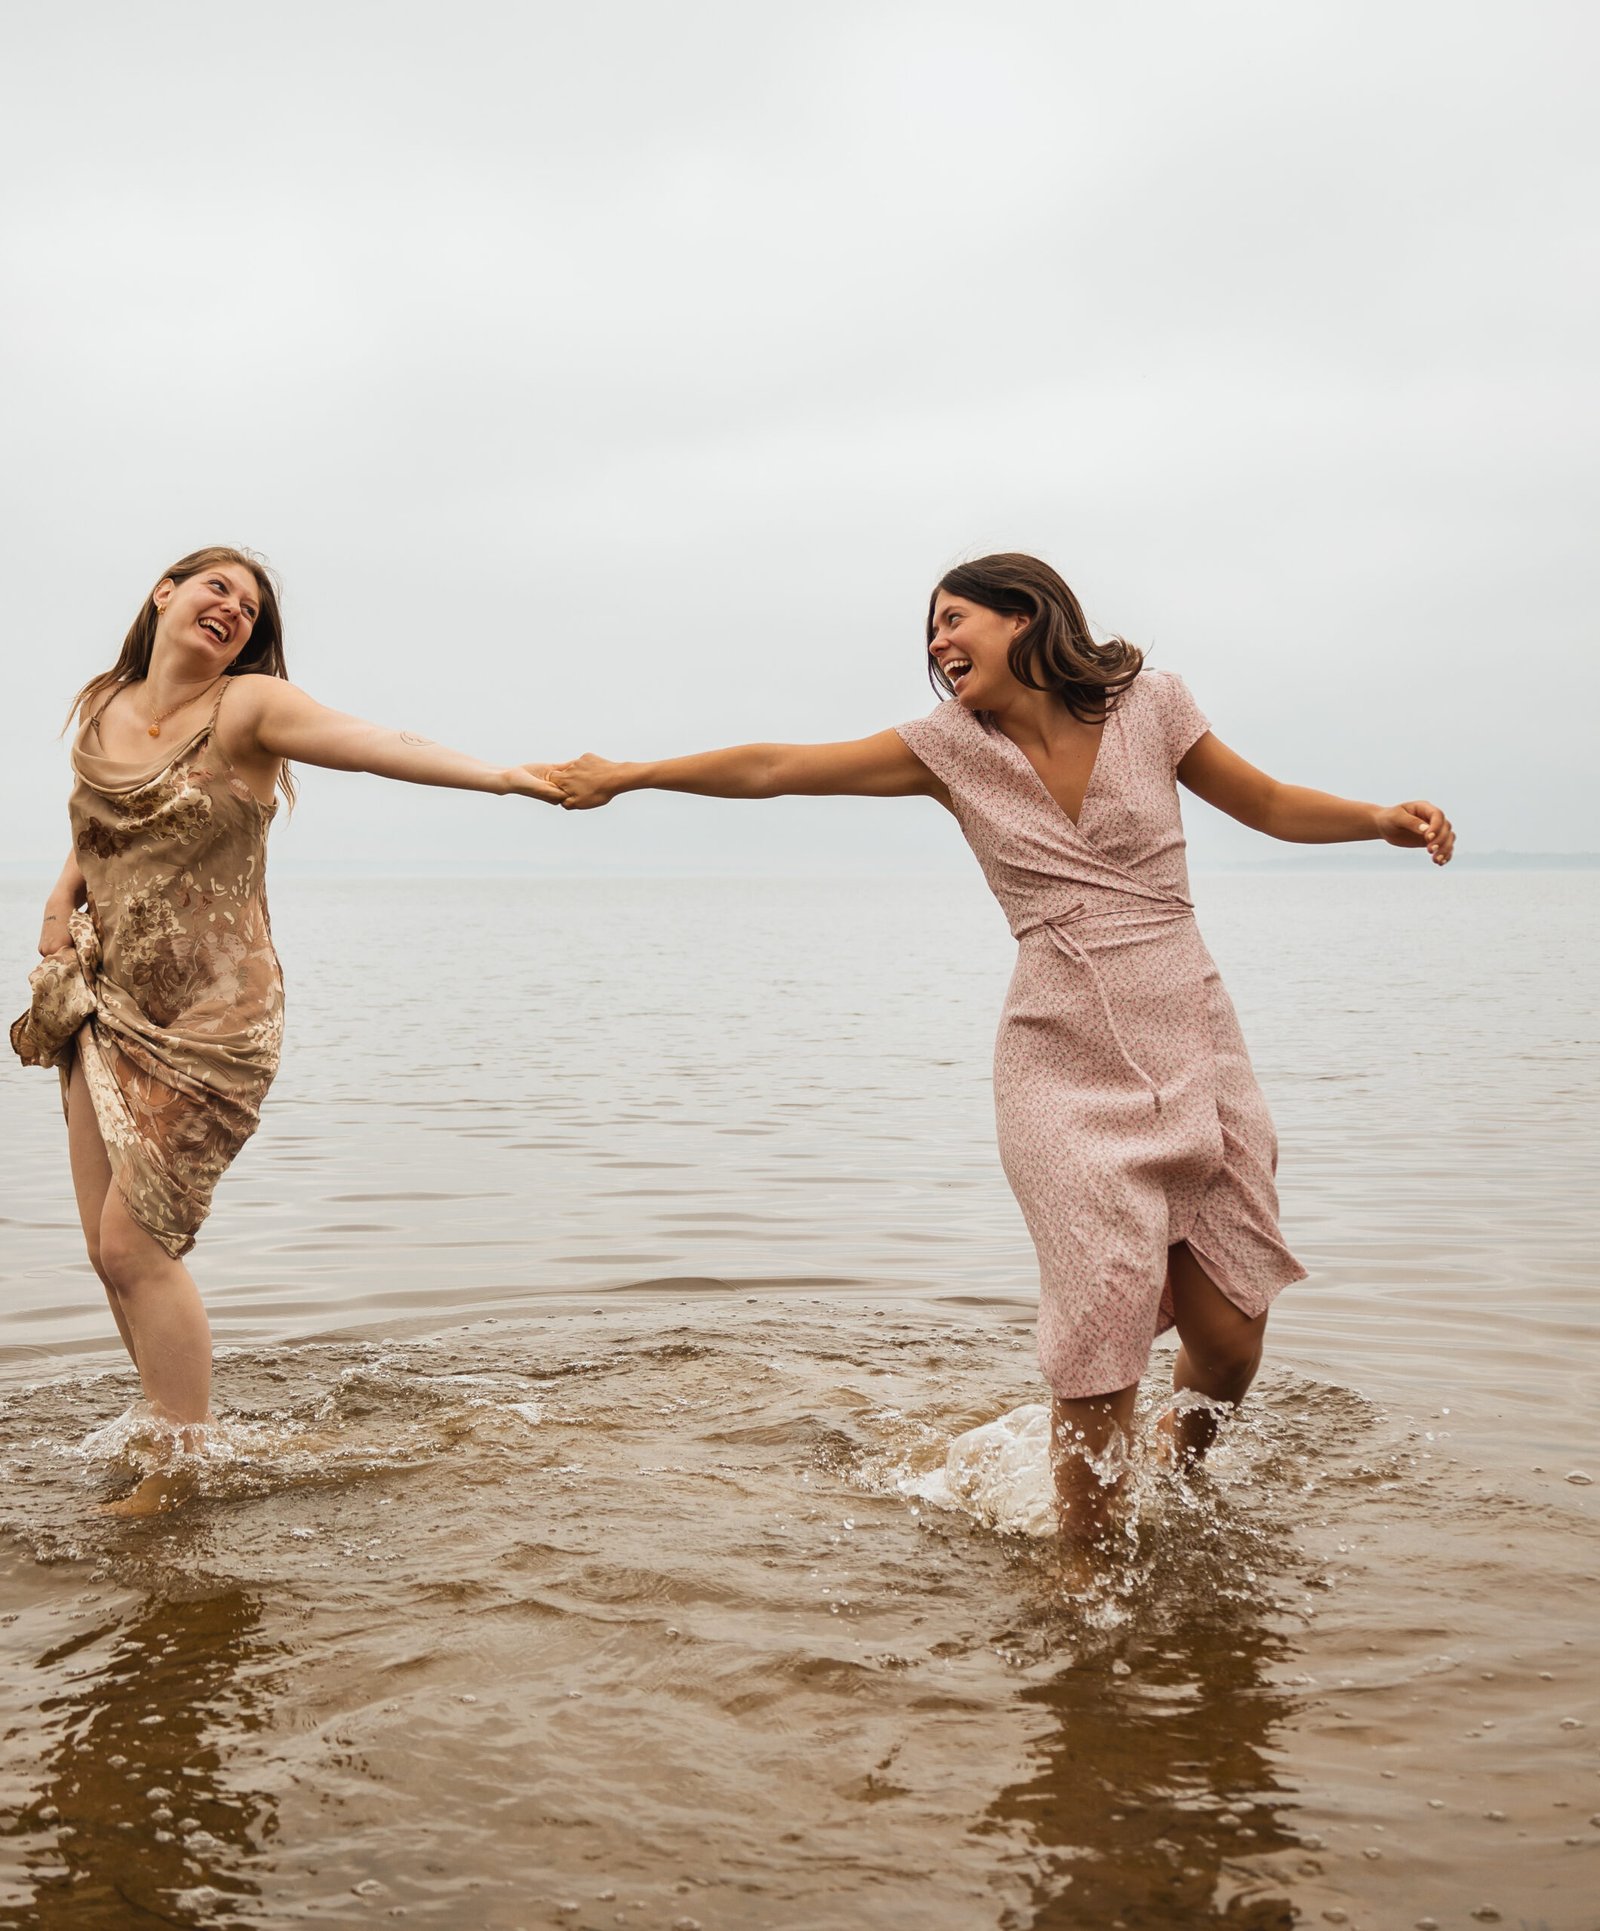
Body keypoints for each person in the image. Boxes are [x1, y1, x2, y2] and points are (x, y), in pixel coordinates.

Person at [547, 553, 1454, 1556]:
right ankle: (1082, 1565)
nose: (939, 642)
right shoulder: (949, 749)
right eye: (931, 629)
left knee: (1231, 1334)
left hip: (1192, 1033)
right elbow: (775, 766)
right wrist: (627, 775)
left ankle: (1174, 1471)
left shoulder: (1152, 705)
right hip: (1057, 1057)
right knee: (1100, 1308)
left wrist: (1378, 820)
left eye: (955, 618)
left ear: (1025, 615)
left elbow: (1270, 802)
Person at [15, 547, 560, 1494]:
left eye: (250, 606)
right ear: (165, 593)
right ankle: (169, 1429)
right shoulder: (105, 705)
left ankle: (179, 1470)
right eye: (217, 587)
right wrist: (62, 897)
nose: (233, 607)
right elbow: (100, 816)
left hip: (214, 1021)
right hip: (108, 1002)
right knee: (107, 1253)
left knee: (137, 1245)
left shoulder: (250, 708)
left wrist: (502, 777)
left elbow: (377, 741)